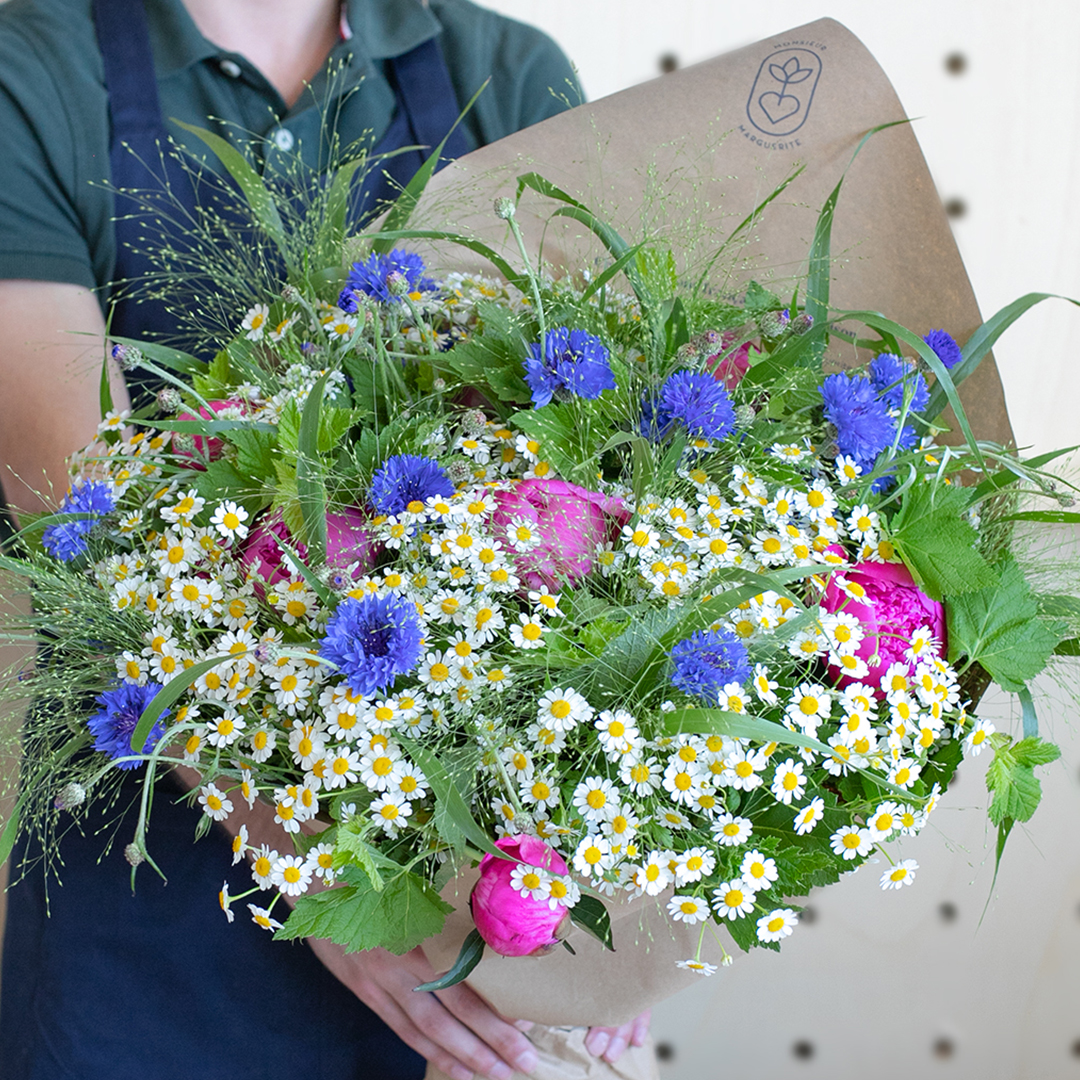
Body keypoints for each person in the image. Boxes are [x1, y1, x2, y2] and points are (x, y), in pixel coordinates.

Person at [0, 1, 651, 1077]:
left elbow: (601, 478)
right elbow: (86, 525)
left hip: (459, 914)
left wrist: (614, 908)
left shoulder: (503, 71)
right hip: (156, 894)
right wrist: (321, 874)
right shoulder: (35, 69)